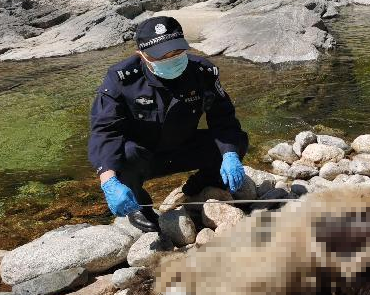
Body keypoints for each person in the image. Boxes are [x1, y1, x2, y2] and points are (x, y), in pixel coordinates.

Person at [88, 16, 249, 232]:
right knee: (124, 154)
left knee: (236, 141)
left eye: (176, 53)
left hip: (184, 146)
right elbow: (105, 131)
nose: (171, 59)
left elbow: (223, 118)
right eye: (161, 56)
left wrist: (230, 155)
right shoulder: (121, 80)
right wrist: (108, 181)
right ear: (142, 56)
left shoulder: (202, 72)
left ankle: (198, 186)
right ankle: (139, 206)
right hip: (143, 156)